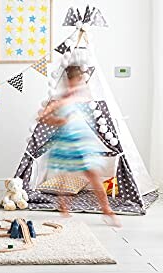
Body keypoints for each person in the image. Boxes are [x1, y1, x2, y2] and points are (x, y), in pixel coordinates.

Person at [39, 66, 121, 226]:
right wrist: (59, 121)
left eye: (81, 81)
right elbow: (41, 117)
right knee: (66, 176)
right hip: (69, 143)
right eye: (77, 81)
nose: (79, 84)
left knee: (93, 174)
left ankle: (106, 209)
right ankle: (64, 206)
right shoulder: (61, 100)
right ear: (69, 81)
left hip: (83, 142)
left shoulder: (83, 96)